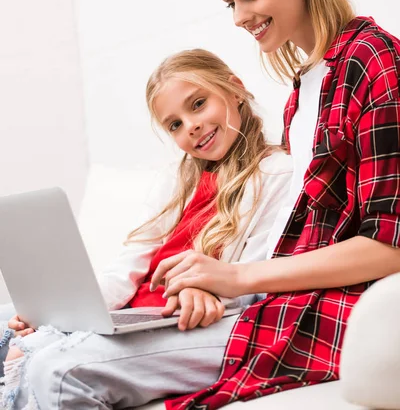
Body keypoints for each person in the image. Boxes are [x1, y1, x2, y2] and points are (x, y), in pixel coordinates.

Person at [149, 0, 400, 409]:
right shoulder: (302, 92)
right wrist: (209, 282)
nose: (241, 17)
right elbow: (294, 240)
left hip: (331, 314)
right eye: (230, 3)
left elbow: (389, 245)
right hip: (275, 305)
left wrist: (237, 278)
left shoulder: (376, 63)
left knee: (62, 369)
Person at [0, 48, 292, 410]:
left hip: (183, 319)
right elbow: (127, 267)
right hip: (136, 313)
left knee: (41, 360)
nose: (191, 126)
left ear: (234, 89)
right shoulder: (176, 178)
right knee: (9, 321)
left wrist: (209, 291)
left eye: (198, 104)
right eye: (175, 124)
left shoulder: (277, 171)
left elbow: (251, 275)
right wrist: (60, 314)